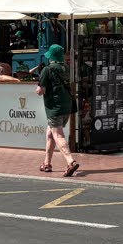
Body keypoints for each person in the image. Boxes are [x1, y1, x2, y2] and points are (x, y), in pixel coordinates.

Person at [35, 44, 79, 177]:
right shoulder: (67, 68)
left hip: (54, 107)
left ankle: (70, 161)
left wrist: (38, 89)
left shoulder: (47, 70)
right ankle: (47, 163)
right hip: (68, 106)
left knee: (58, 135)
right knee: (50, 133)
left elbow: (40, 91)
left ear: (51, 57)